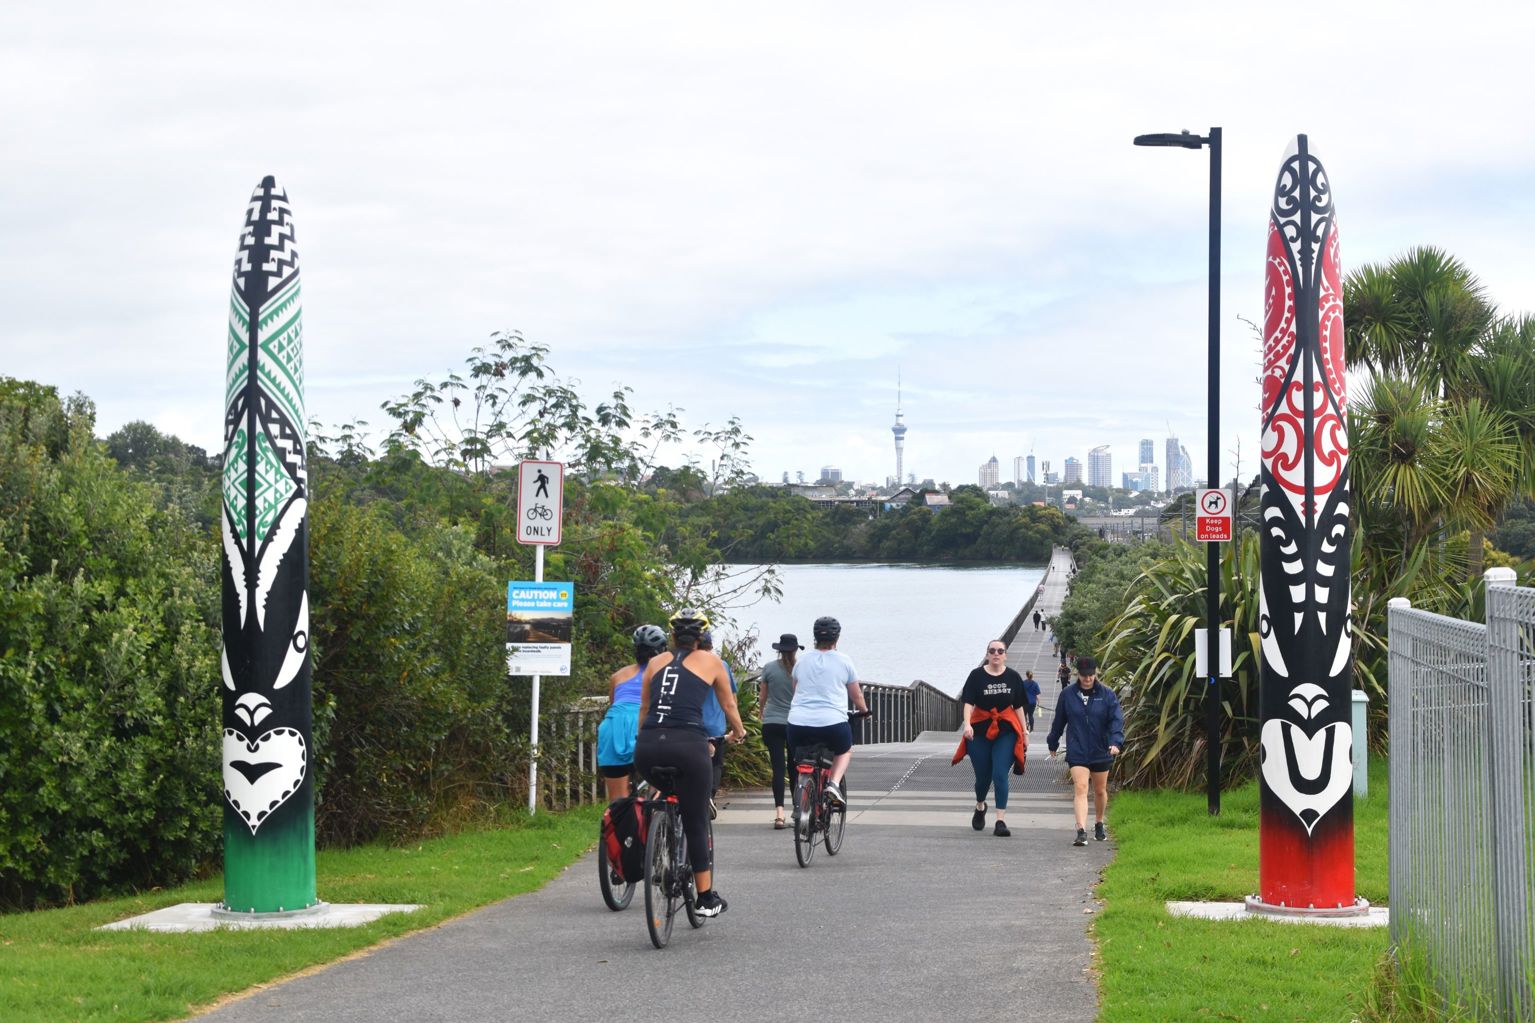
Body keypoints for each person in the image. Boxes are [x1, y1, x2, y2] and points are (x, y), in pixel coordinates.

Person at [636, 608, 745, 917]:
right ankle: (706, 898)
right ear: (701, 637)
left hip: (647, 747)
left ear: (672, 637)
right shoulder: (712, 662)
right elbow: (728, 703)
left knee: (665, 793)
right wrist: (739, 731)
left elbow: (645, 708)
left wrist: (641, 742)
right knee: (695, 817)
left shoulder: (655, 663)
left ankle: (661, 848)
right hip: (688, 746)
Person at [787, 616, 868, 808]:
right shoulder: (844, 661)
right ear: (837, 638)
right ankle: (833, 783)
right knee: (845, 750)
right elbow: (856, 695)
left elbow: (795, 689)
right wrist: (864, 710)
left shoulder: (801, 661)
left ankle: (804, 788)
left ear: (814, 637)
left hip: (797, 723)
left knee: (799, 756)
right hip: (832, 723)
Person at [1047, 655, 1125, 847]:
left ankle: (1099, 823)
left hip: (1101, 748)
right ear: (1077, 675)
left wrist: (1116, 742)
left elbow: (1116, 720)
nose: (1088, 679)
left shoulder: (1107, 694)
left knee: (1099, 790)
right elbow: (1059, 721)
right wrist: (1053, 742)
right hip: (1078, 748)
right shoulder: (1068, 695)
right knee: (1081, 788)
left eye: (1090, 675)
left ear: (1096, 673)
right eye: (1083, 675)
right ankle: (1080, 830)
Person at [951, 639, 1027, 836]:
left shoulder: (1013, 677)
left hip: (1006, 731)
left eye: (1000, 651)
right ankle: (980, 806)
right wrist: (967, 724)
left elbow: (1018, 706)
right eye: (992, 650)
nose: (996, 654)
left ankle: (1000, 820)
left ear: (1005, 655)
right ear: (987, 654)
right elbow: (968, 702)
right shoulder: (976, 676)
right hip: (980, 731)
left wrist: (1024, 732)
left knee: (1000, 773)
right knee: (983, 778)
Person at [595, 624, 668, 801]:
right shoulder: (663, 672)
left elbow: (614, 704)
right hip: (643, 724)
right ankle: (654, 816)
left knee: (618, 801)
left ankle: (622, 824)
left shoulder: (618, 675)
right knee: (659, 787)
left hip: (612, 728)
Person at [758, 632, 802, 828]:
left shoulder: (768, 668)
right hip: (794, 723)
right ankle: (797, 810)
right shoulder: (800, 670)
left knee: (778, 768)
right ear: (795, 650)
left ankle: (779, 814)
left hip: (772, 723)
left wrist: (761, 713)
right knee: (795, 768)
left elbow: (763, 697)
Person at [697, 629, 738, 816]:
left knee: (694, 762)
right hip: (716, 726)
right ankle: (710, 796)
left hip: (692, 723)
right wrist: (735, 726)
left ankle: (699, 795)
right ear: (711, 645)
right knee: (716, 764)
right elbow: (731, 698)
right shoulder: (721, 665)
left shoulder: (688, 665)